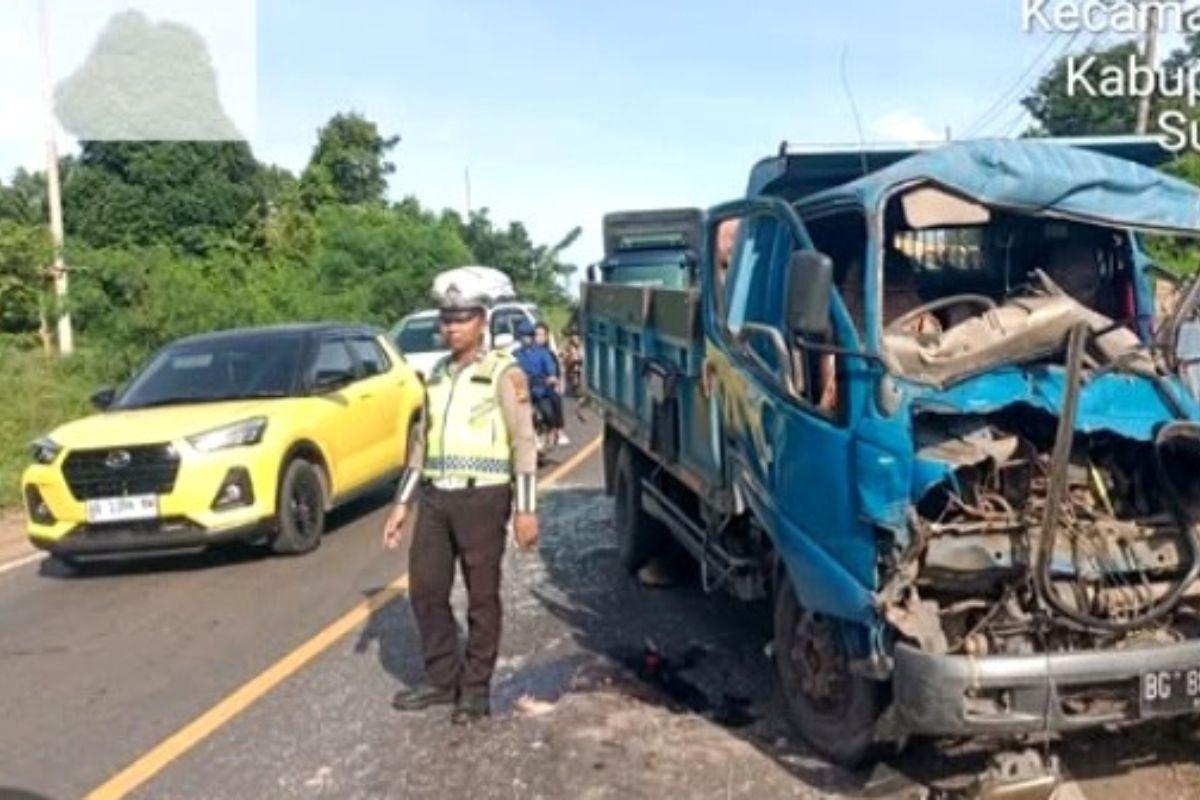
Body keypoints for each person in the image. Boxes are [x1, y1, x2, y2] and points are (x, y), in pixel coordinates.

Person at [382, 286, 540, 725]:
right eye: (446, 320)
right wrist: (402, 504)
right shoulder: (435, 374)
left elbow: (523, 441)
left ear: (482, 323)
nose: (450, 328)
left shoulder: (503, 373)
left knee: (481, 597)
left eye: (460, 319)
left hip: (483, 497)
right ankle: (442, 678)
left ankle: (475, 690)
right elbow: (421, 444)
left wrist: (526, 509)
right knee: (426, 589)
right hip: (435, 496)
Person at [514, 321, 565, 447]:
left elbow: (551, 368)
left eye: (528, 336)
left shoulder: (543, 353)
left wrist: (551, 377)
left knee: (551, 405)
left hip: (541, 388)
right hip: (523, 390)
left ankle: (557, 430)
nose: (525, 339)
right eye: (522, 336)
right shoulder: (515, 354)